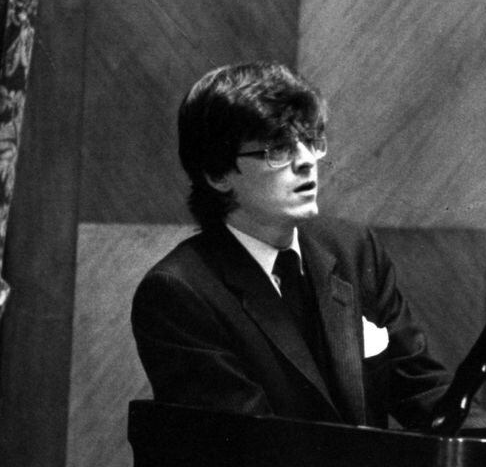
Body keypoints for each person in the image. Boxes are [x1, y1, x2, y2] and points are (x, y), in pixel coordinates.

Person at [131, 61, 451, 430]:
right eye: (278, 148)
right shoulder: (179, 291)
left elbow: (426, 390)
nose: (307, 162)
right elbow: (254, 450)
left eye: (311, 140)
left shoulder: (353, 248)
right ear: (218, 175)